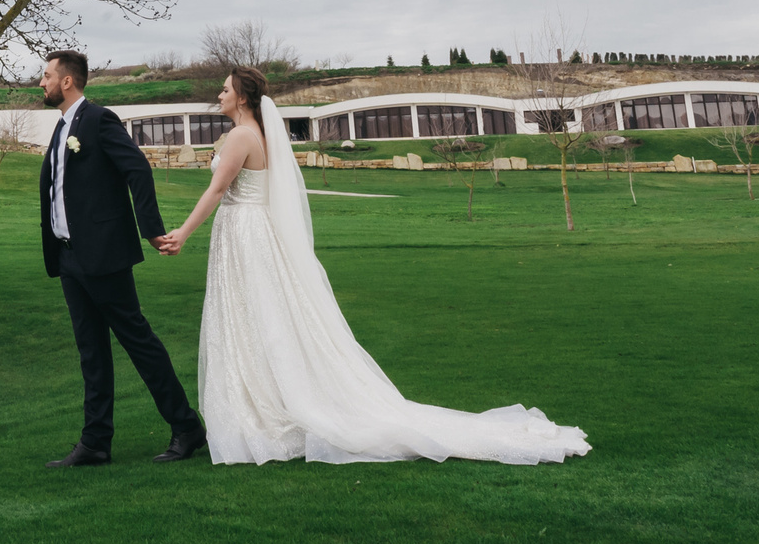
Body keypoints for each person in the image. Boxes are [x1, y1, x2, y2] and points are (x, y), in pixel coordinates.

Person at [154, 66, 591, 467]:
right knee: (260, 316)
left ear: (243, 97)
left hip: (244, 232)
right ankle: (266, 401)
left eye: (225, 90)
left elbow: (217, 191)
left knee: (251, 316)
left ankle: (266, 410)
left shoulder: (240, 137)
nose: (219, 95)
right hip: (251, 231)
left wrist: (182, 233)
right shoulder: (260, 135)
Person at [37, 49, 206, 467]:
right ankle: (95, 441)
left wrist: (151, 230)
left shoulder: (98, 120)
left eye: (47, 76)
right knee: (91, 352)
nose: (41, 83)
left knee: (138, 342)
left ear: (67, 81)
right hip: (69, 257)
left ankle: (187, 427)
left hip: (103, 254)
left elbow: (138, 169)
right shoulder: (61, 129)